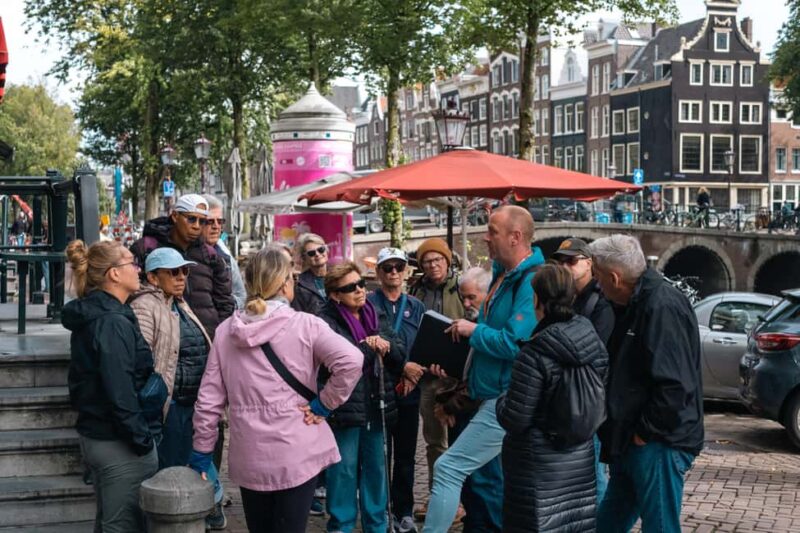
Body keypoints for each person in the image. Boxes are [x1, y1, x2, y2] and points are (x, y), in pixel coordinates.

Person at [190, 249, 363, 533]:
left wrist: (201, 451)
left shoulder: (225, 332)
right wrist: (324, 403)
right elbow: (352, 360)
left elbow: (209, 401)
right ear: (284, 283)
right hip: (296, 450)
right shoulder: (305, 325)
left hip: (250, 453)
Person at [423, 205, 545, 533]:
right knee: (492, 485)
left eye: (492, 230)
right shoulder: (502, 275)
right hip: (485, 395)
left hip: (504, 399)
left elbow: (514, 344)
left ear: (515, 237)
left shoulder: (530, 280)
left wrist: (473, 331)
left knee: (449, 468)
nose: (485, 236)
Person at [589, 235, 703, 532]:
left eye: (598, 278)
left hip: (656, 442)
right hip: (633, 438)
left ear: (614, 277)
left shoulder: (660, 306)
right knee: (610, 523)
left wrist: (645, 433)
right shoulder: (636, 303)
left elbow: (675, 385)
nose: (597, 286)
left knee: (660, 525)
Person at [496, 263, 609, 532]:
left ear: (538, 300)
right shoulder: (591, 339)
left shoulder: (535, 352)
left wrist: (502, 400)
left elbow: (516, 418)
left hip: (537, 465)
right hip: (578, 459)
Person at [62, 239, 161, 532]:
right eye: (132, 262)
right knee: (122, 524)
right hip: (117, 440)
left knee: (111, 520)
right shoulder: (111, 321)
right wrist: (142, 439)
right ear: (114, 274)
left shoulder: (103, 315)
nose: (138, 268)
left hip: (104, 434)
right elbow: (119, 389)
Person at [318, 261, 406, 533]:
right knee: (343, 471)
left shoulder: (375, 313)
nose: (359, 291)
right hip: (345, 409)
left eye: (361, 284)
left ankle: (377, 526)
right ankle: (341, 526)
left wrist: (388, 347)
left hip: (376, 403)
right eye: (350, 287)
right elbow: (334, 362)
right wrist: (368, 347)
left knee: (376, 469)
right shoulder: (324, 321)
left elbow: (400, 354)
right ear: (335, 295)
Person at [128, 248, 210, 469]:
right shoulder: (144, 306)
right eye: (173, 272)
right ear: (154, 277)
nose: (182, 276)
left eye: (184, 270)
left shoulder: (179, 302)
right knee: (171, 471)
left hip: (190, 403)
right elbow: (141, 357)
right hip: (168, 406)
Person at [551, 237, 615, 504]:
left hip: (590, 401)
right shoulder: (570, 299)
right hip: (572, 400)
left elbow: (597, 352)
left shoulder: (600, 302)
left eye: (571, 260)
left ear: (589, 263)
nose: (565, 266)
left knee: (594, 474)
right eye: (561, 261)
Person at [368, 248, 426, 533]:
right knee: (380, 455)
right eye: (387, 267)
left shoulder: (416, 306)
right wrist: (403, 366)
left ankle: (403, 510)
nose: (393, 272)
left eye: (398, 267)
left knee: (405, 456)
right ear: (378, 272)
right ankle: (380, 512)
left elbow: (424, 345)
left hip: (409, 391)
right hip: (379, 389)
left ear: (406, 271)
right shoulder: (368, 303)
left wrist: (416, 373)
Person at [408, 237, 465, 521]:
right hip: (429, 378)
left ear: (447, 261)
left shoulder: (462, 288)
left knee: (463, 440)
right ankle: (439, 497)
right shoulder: (416, 291)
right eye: (427, 261)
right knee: (434, 441)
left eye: (437, 260)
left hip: (459, 378)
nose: (433, 265)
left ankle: (462, 500)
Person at [129, 193, 234, 339]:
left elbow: (225, 301)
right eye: (191, 219)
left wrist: (219, 336)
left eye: (202, 221)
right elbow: (131, 290)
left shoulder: (210, 255)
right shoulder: (146, 247)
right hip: (162, 339)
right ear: (175, 216)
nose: (196, 226)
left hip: (206, 342)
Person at [203, 194, 246, 309]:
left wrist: (226, 304)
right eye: (210, 221)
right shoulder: (186, 256)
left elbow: (242, 296)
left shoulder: (226, 256)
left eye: (220, 221)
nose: (216, 226)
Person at [292, 233, 329, 316]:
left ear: (326, 250)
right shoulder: (299, 284)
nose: (317, 254)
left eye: (321, 249)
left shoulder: (340, 276)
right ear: (304, 258)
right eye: (311, 253)